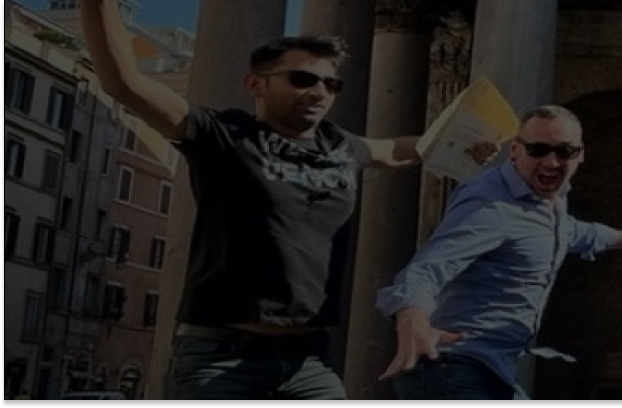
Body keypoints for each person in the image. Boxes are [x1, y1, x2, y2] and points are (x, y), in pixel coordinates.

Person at [76, 0, 483, 399]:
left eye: (330, 84)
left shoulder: (342, 147)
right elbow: (123, 84)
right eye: (303, 79)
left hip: (308, 359)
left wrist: (472, 142)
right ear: (256, 83)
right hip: (221, 357)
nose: (319, 92)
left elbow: (399, 149)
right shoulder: (225, 136)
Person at [371, 106, 622, 400]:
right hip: (451, 370)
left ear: (581, 154)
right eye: (538, 150)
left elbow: (576, 233)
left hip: (487, 372)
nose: (552, 161)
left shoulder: (543, 205)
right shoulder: (491, 204)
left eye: (564, 151)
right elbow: (427, 268)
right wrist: (412, 316)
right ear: (515, 151)